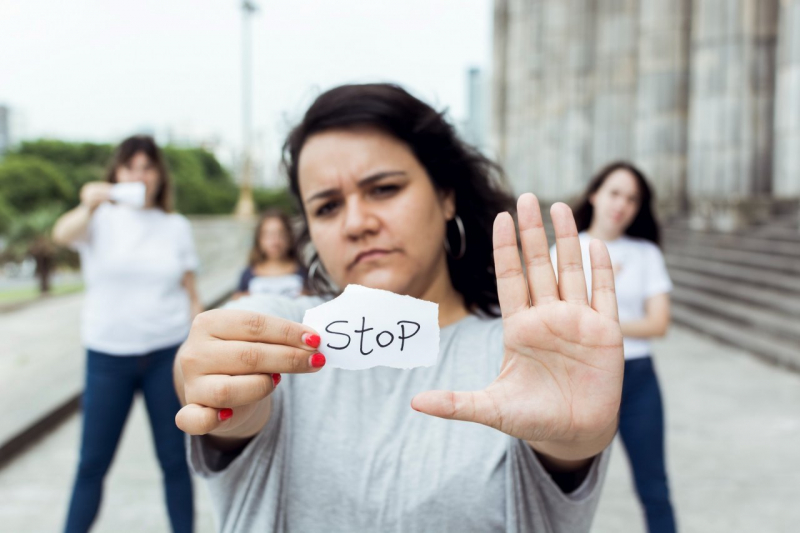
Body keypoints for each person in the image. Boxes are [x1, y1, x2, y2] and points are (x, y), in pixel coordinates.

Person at [173, 84, 625, 532]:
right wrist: (220, 391)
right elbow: (215, 369)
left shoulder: (525, 350)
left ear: (446, 194)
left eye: (383, 189)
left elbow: (562, 451)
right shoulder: (288, 335)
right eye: (328, 206)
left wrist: (575, 442)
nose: (357, 223)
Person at [53, 135, 198, 533]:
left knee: (174, 461)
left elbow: (191, 293)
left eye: (147, 167)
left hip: (166, 354)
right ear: (117, 173)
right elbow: (62, 235)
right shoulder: (99, 220)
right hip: (108, 355)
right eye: (131, 166)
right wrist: (89, 203)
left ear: (159, 175)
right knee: (91, 463)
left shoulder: (175, 226)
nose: (140, 174)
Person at [554, 161, 677, 533]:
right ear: (595, 194)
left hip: (638, 378)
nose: (621, 204)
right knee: (564, 487)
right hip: (582, 377)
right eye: (614, 193)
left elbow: (658, 323)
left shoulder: (645, 253)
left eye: (632, 198)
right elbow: (558, 320)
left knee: (654, 485)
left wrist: (598, 317)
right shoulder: (566, 250)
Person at [232, 209, 304, 300]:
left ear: (289, 237)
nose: (275, 241)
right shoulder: (247, 274)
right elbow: (236, 302)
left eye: (281, 234)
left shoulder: (305, 272)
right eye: (268, 235)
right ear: (259, 239)